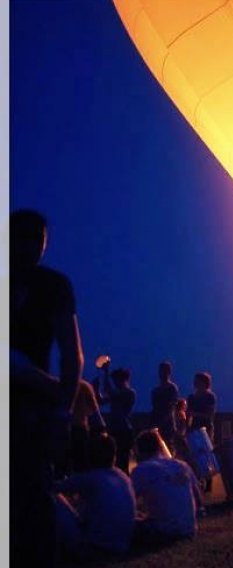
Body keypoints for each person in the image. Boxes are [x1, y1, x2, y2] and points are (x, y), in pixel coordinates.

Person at [10, 209, 84, 567]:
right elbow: (72, 356)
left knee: (33, 500)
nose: (30, 248)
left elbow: (73, 356)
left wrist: (62, 412)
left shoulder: (52, 286)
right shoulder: (53, 285)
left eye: (36, 240)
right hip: (33, 404)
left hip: (30, 409)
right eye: (23, 239)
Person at [54, 434, 136, 558]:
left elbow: (54, 487)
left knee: (53, 497)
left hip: (94, 546)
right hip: (122, 543)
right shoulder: (122, 476)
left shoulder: (90, 478)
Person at [131, 429, 203, 543]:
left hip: (163, 531)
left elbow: (128, 501)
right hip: (189, 529)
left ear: (139, 451)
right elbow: (198, 499)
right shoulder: (182, 465)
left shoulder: (142, 470)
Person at [98, 367, 137, 475]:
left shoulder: (130, 392)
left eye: (116, 380)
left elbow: (110, 393)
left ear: (124, 379)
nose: (115, 382)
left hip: (124, 430)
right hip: (115, 429)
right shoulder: (119, 393)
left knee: (123, 461)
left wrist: (105, 374)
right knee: (114, 462)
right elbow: (101, 400)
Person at [64, 378, 106, 476]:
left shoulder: (61, 384)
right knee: (81, 463)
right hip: (80, 427)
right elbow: (94, 409)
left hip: (65, 428)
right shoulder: (84, 386)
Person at [187, 371, 218, 492]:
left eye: (197, 380)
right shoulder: (191, 398)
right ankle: (199, 481)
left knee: (206, 455)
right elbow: (188, 415)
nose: (194, 383)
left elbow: (209, 415)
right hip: (194, 429)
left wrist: (195, 414)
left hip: (205, 429)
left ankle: (209, 482)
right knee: (195, 455)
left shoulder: (210, 397)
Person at [151, 361, 180, 453]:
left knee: (169, 447)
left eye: (164, 371)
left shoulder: (172, 388)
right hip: (158, 422)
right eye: (161, 371)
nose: (161, 373)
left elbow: (172, 406)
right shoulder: (156, 390)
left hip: (168, 424)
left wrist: (164, 420)